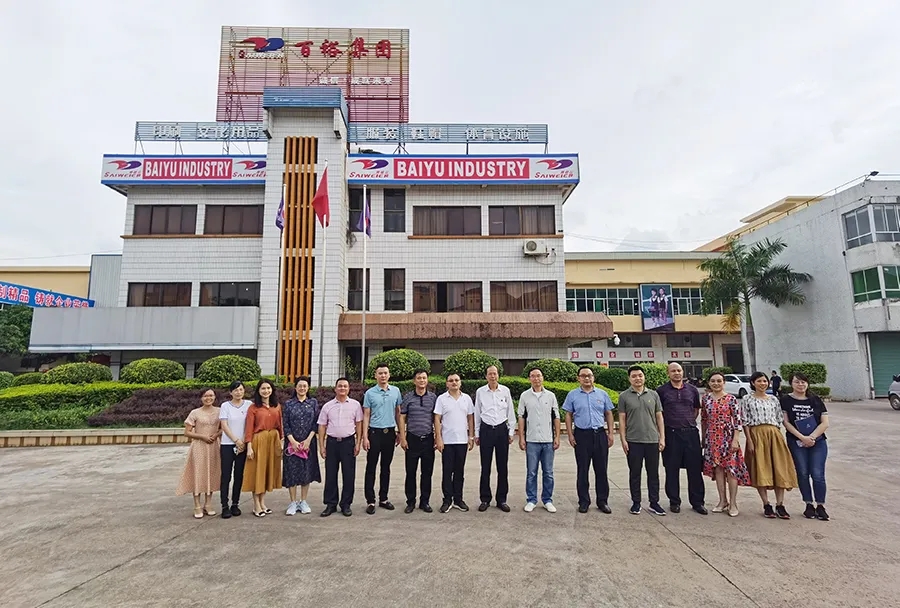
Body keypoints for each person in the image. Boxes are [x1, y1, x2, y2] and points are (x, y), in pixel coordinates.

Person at [741, 371, 797, 519]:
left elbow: (779, 418)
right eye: (759, 381)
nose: (762, 384)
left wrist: (777, 436)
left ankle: (780, 504)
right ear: (753, 383)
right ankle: (766, 504)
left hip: (774, 434)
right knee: (760, 469)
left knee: (779, 468)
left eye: (765, 381)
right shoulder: (747, 399)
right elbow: (745, 421)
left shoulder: (773, 399)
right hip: (756, 435)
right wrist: (749, 440)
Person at [562, 366, 615, 514]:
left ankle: (602, 501)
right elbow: (568, 415)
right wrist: (570, 434)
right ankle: (584, 501)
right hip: (582, 436)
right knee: (582, 470)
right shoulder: (572, 395)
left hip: (599, 434)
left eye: (589, 375)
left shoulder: (602, 394)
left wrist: (611, 433)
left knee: (601, 470)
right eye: (583, 376)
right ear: (578, 378)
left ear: (593, 377)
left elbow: (609, 413)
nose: (587, 378)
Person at [657, 362, 708, 514]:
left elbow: (696, 409)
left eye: (679, 370)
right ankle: (674, 501)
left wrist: (687, 422)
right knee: (671, 469)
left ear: (682, 372)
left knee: (695, 470)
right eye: (673, 371)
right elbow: (659, 413)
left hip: (691, 433)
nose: (677, 373)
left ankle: (697, 502)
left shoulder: (692, 390)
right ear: (668, 373)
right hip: (671, 433)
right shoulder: (661, 391)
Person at [780, 372, 830, 521]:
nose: (800, 385)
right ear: (791, 383)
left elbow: (825, 422)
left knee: (818, 474)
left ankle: (820, 505)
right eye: (797, 382)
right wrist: (802, 438)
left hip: (817, 442)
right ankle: (808, 504)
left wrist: (812, 437)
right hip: (796, 442)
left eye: (803, 382)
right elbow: (786, 422)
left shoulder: (815, 400)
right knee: (802, 473)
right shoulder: (785, 400)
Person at [702, 372, 751, 517]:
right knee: (718, 469)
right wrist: (703, 438)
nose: (716, 383)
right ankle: (722, 501)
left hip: (728, 437)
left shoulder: (731, 399)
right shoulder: (706, 399)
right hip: (712, 438)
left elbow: (737, 420)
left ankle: (733, 503)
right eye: (713, 381)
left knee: (731, 470)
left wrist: (735, 439)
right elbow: (704, 419)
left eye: (719, 381)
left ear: (724, 382)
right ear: (709, 383)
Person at [618, 365, 666, 516]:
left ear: (644, 377)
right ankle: (636, 502)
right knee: (635, 473)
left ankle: (654, 502)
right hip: (633, 441)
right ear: (629, 379)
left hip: (652, 440)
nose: (637, 378)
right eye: (634, 376)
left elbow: (659, 417)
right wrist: (623, 440)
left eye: (640, 375)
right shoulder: (624, 396)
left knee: (653, 473)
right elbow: (622, 419)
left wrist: (662, 438)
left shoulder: (653, 395)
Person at [317, 378, 363, 517]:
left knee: (348, 475)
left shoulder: (355, 405)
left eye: (345, 386)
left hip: (348, 443)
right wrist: (322, 446)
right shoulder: (328, 406)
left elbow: (359, 424)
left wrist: (358, 443)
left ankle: (346, 504)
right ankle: (331, 504)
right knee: (331, 474)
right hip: (332, 443)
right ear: (335, 389)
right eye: (340, 386)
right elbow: (322, 426)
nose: (342, 388)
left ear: (349, 389)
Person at [516, 368, 560, 513]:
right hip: (531, 440)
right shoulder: (525, 396)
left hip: (548, 440)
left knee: (548, 472)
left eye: (539, 376)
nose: (536, 379)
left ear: (542, 378)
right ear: (529, 378)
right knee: (531, 472)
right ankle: (531, 499)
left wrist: (557, 437)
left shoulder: (551, 396)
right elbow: (521, 417)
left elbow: (556, 417)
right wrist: (521, 437)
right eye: (533, 376)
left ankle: (547, 500)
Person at [362, 364, 403, 515]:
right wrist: (365, 437)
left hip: (390, 433)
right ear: (375, 376)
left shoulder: (396, 391)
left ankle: (383, 498)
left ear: (389, 375)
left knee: (386, 467)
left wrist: (400, 432)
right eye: (380, 373)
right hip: (374, 433)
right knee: (371, 467)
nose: (383, 376)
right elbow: (366, 415)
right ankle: (370, 500)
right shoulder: (370, 393)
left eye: (385, 373)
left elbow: (398, 413)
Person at [474, 365, 515, 512]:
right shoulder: (480, 392)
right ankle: (485, 499)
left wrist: (511, 432)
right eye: (490, 374)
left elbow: (510, 412)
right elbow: (477, 413)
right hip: (486, 430)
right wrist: (477, 434)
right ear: (486, 376)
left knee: (502, 467)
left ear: (498, 375)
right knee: (485, 467)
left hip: (501, 430)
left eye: (495, 373)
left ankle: (501, 499)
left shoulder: (505, 391)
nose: (492, 376)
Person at [176, 389, 222, 518]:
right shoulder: (195, 413)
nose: (208, 398)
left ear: (215, 397)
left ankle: (208, 504)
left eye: (211, 395)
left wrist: (216, 435)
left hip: (214, 446)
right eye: (205, 396)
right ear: (201, 398)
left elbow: (223, 428)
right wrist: (202, 436)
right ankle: (197, 505)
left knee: (211, 474)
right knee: (198, 474)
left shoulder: (220, 411)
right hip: (199, 446)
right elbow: (187, 432)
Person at [434, 373, 476, 513]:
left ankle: (458, 499)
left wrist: (471, 437)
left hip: (462, 441)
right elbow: (437, 418)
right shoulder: (441, 399)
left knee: (459, 472)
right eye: (451, 380)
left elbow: (470, 418)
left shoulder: (467, 399)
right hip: (447, 441)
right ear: (447, 383)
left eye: (456, 380)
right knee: (447, 472)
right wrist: (438, 438)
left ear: (460, 382)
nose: (454, 382)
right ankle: (447, 500)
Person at [243, 379, 284, 517]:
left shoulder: (276, 406)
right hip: (258, 440)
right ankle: (256, 505)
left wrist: (281, 441)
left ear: (272, 390)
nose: (266, 391)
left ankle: (262, 502)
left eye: (268, 388)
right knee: (258, 472)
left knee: (267, 472)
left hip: (272, 440)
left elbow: (280, 425)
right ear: (258, 391)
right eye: (263, 388)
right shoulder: (253, 408)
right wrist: (249, 446)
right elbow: (249, 428)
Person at [398, 368, 438, 513]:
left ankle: (424, 502)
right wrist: (402, 437)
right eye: (419, 378)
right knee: (410, 472)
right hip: (412, 439)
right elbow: (402, 417)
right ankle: (410, 502)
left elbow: (436, 418)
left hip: (428, 439)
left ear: (427, 380)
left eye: (424, 378)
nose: (422, 380)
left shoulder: (433, 398)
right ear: (414, 381)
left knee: (427, 473)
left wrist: (437, 437)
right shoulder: (408, 397)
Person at [282, 376, 321, 516]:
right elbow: (285, 424)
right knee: (292, 472)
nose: (302, 388)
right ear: (295, 387)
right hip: (292, 443)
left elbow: (316, 422)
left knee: (306, 471)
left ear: (308, 388)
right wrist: (292, 441)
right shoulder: (289, 404)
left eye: (305, 386)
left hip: (308, 443)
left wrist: (308, 440)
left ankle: (303, 501)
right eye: (300, 386)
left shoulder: (313, 403)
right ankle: (293, 502)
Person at [219, 380, 251, 518]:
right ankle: (224, 506)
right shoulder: (225, 406)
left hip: (243, 444)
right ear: (230, 392)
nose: (239, 392)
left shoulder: (249, 405)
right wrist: (236, 440)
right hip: (228, 444)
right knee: (226, 476)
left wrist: (243, 441)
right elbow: (224, 425)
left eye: (241, 389)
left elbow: (250, 425)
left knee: (239, 475)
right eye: (236, 390)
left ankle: (235, 504)